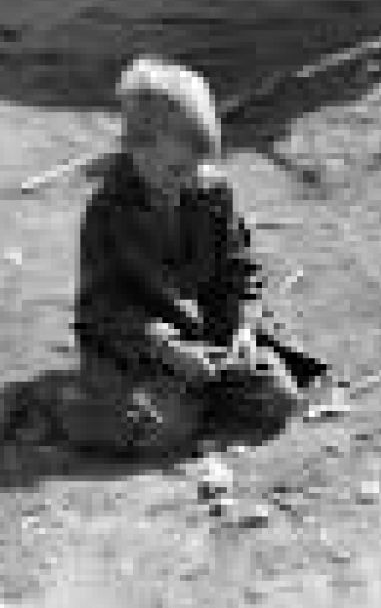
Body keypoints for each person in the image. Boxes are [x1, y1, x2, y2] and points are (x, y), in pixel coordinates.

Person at [56, 56, 327, 456]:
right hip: (137, 346)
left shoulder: (212, 192)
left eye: (198, 166)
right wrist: (163, 345)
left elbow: (241, 271)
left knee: (277, 398)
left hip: (206, 337)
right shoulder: (107, 211)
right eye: (176, 169)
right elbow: (101, 306)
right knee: (163, 429)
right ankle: (61, 400)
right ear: (136, 150)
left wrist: (243, 329)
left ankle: (191, 398)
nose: (189, 180)